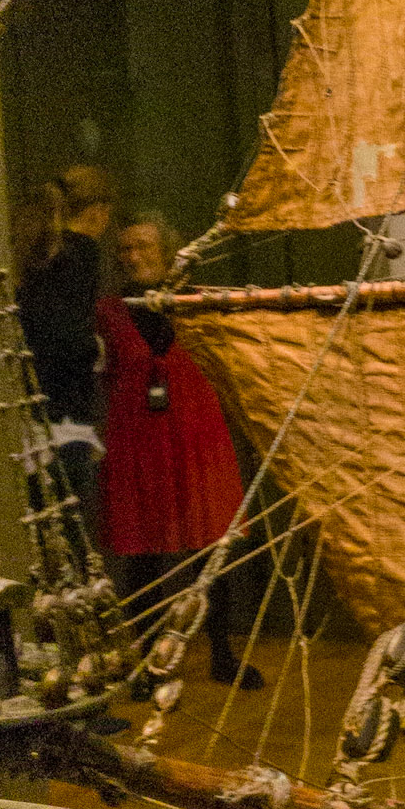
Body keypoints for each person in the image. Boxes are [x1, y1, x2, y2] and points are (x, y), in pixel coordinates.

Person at [97, 211, 261, 689]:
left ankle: (223, 655)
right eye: (125, 248)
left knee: (213, 552)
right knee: (141, 557)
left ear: (168, 250)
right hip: (137, 444)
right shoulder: (109, 312)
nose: (133, 256)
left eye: (143, 245)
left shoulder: (198, 305)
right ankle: (147, 660)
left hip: (198, 438)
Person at [14, 164, 114, 547]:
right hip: (65, 415)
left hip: (38, 417)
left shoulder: (42, 252)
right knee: (74, 540)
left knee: (50, 535)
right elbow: (69, 336)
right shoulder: (78, 254)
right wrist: (96, 349)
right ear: (96, 211)